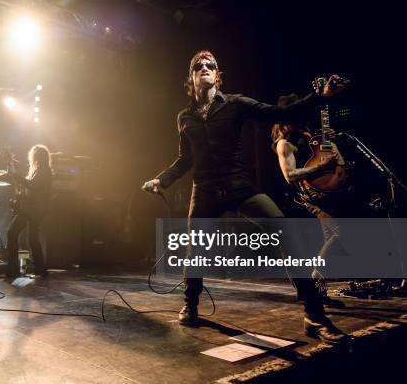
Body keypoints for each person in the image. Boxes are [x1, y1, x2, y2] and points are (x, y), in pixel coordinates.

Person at [143, 49, 348, 343]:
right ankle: (191, 304)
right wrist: (161, 180)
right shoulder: (184, 117)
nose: (204, 67)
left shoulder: (236, 104)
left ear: (217, 75)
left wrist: (319, 96)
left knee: (285, 233)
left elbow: (281, 114)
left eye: (209, 64)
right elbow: (185, 159)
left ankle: (314, 316)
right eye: (197, 65)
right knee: (195, 250)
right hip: (205, 190)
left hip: (238, 184)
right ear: (190, 77)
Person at [272, 113, 352, 307]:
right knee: (339, 234)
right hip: (311, 196)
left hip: (329, 193)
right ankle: (314, 279)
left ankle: (318, 291)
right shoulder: (284, 144)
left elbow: (324, 154)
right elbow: (290, 175)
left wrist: (330, 140)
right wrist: (321, 167)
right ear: (284, 124)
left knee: (332, 238)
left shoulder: (307, 135)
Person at [6, 145, 53, 278]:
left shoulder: (44, 171)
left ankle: (36, 269)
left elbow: (32, 185)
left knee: (26, 237)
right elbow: (29, 188)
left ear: (37, 156)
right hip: (30, 208)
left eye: (32, 154)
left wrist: (16, 175)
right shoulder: (37, 170)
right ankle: (34, 269)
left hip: (35, 209)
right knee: (19, 235)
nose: (30, 156)